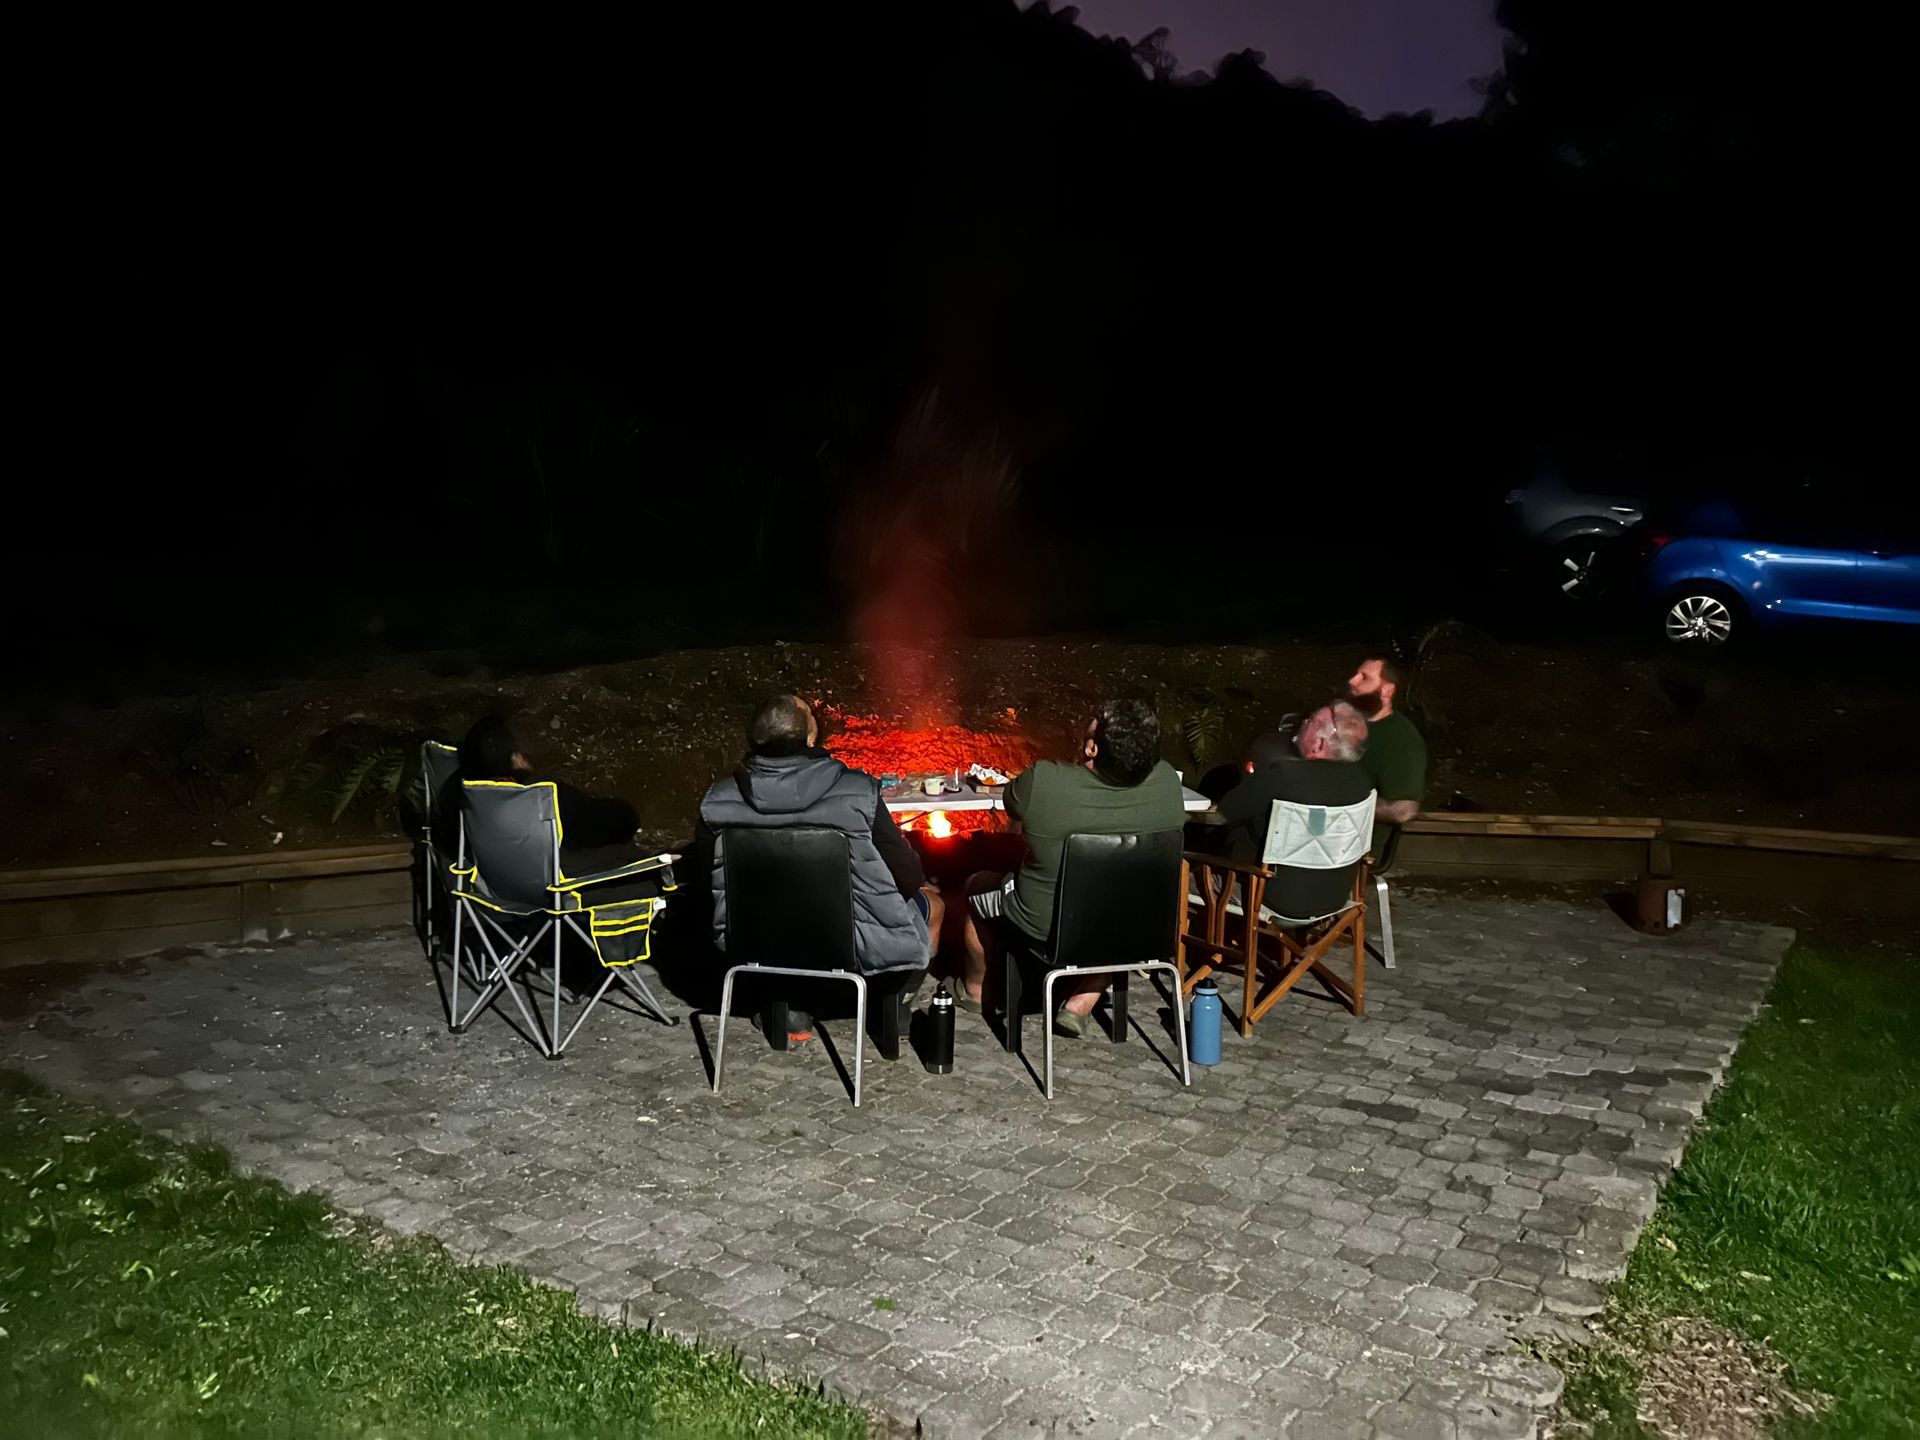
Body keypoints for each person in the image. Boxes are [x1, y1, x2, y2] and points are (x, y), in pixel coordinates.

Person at [696, 695, 943, 1040]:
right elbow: (907, 877)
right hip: (852, 939)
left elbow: (707, 877)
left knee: (784, 924)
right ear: (810, 739)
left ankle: (789, 1008)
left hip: (757, 938)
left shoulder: (718, 800)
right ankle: (896, 1004)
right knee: (934, 903)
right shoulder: (859, 792)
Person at [956, 698, 1185, 1038]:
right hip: (1140, 930)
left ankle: (976, 989)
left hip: (1050, 929)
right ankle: (1081, 1001)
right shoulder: (1167, 781)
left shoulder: (1045, 780)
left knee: (976, 886)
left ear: (1092, 747)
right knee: (1115, 911)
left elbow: (1011, 803)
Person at [443, 714, 644, 875]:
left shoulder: (468, 799)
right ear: (512, 761)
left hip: (493, 885)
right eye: (519, 751)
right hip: (548, 894)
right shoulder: (548, 805)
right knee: (633, 853)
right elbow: (627, 818)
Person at [1211, 703, 1373, 864]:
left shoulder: (1285, 776)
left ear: (1319, 745)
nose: (1303, 722)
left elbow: (1229, 809)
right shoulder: (1361, 784)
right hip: (1332, 887)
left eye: (1311, 720)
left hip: (1261, 882)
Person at [1344, 656, 1428, 858]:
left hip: (1356, 845)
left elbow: (1403, 811)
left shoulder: (1401, 739)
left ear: (1387, 690)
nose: (1352, 681)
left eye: (1364, 678)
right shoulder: (1341, 723)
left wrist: (1343, 803)